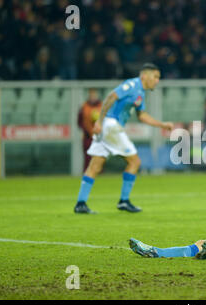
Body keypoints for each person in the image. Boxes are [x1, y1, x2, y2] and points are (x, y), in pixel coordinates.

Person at [74, 63, 174, 214]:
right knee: (134, 161)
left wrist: (161, 125)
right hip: (110, 125)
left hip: (108, 126)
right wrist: (100, 121)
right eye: (155, 76)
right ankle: (124, 201)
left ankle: (80, 204)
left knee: (95, 165)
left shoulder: (141, 93)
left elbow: (142, 116)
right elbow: (110, 97)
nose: (157, 81)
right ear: (144, 75)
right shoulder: (132, 85)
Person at [77, 88, 102, 172]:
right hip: (87, 136)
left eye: (94, 95)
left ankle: (101, 174)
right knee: (88, 157)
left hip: (100, 136)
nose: (93, 97)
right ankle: (86, 175)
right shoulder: (84, 107)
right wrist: (88, 130)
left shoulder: (101, 106)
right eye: (91, 95)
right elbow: (79, 122)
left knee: (100, 157)